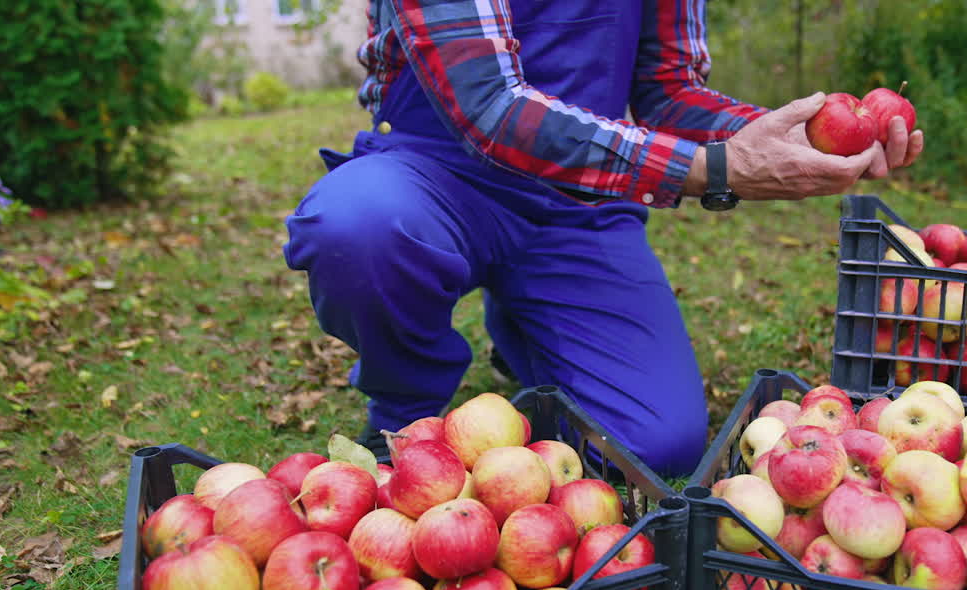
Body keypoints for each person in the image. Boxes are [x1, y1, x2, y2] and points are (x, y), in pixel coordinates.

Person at [283, 1, 924, 477]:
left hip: (578, 204)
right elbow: (494, 110)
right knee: (357, 226)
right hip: (436, 175)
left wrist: (791, 139)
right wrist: (718, 171)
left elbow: (666, 92)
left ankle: (529, 332)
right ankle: (401, 413)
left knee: (654, 447)